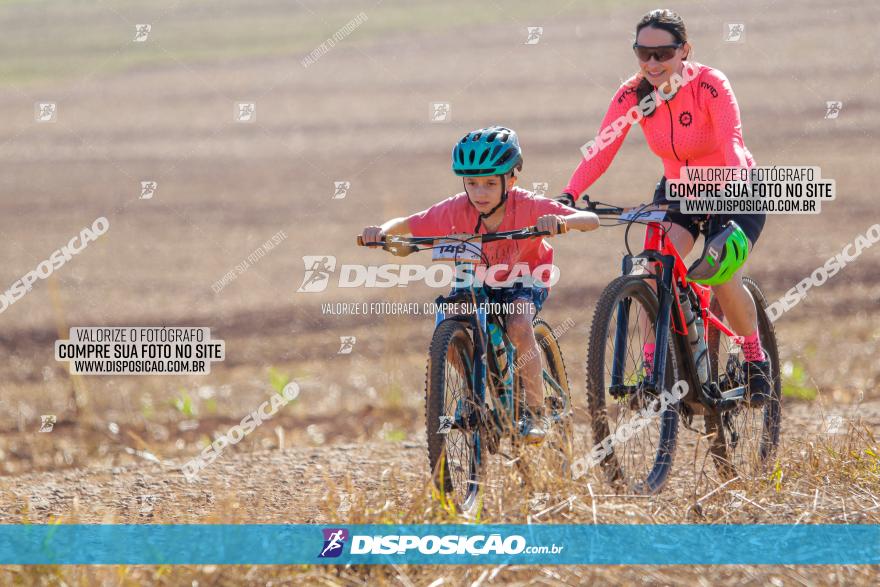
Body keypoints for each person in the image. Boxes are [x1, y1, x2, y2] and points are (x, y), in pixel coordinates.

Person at [555, 9, 771, 405]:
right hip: (679, 188)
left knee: (721, 271)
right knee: (653, 267)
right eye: (643, 54)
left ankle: (756, 358)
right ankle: (653, 368)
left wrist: (737, 181)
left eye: (663, 53)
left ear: (684, 51)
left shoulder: (710, 84)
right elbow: (601, 150)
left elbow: (732, 141)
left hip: (736, 185)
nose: (652, 63)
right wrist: (568, 194)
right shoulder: (632, 94)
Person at [362, 126, 600, 441]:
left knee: (517, 324)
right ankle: (470, 394)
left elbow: (590, 220)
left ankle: (536, 411)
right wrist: (382, 231)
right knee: (449, 320)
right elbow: (408, 223)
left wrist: (561, 222)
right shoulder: (456, 208)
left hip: (524, 276)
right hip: (476, 275)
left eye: (490, 183)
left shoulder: (528, 204)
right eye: (472, 183)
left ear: (511, 180)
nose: (480, 193)